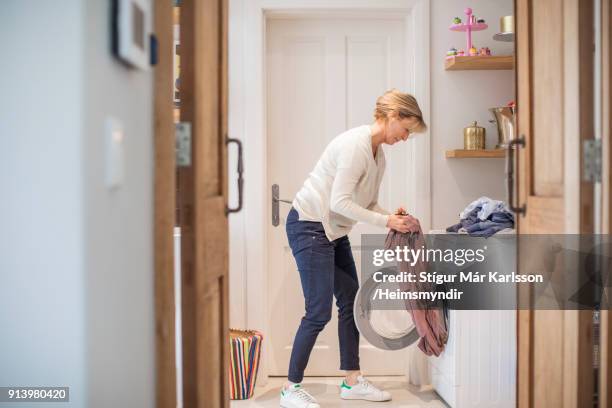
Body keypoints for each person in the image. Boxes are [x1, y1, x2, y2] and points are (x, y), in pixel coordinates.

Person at [280, 89, 428, 408]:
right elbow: (339, 202)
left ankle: (351, 382)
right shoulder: (355, 146)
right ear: (393, 116)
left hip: (333, 229)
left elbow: (366, 202)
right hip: (310, 224)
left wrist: (392, 215)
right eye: (406, 130)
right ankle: (290, 388)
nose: (405, 138)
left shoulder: (379, 156)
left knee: (353, 301)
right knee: (318, 310)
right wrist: (386, 220)